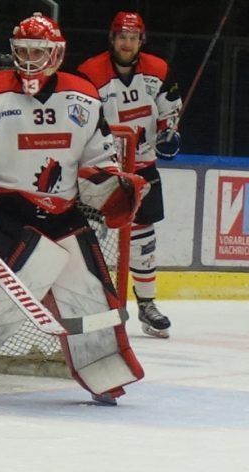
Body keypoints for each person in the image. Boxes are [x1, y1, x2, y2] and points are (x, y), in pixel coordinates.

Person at [0, 13, 148, 404]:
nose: (29, 59)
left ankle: (103, 367)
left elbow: (99, 157)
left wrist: (112, 187)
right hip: (8, 210)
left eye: (38, 51)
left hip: (64, 211)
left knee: (91, 293)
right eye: (23, 50)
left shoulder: (84, 94)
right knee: (2, 296)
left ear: (56, 53)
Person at [77, 11, 182, 338]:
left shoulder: (159, 70)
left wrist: (169, 134)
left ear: (141, 40)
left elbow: (169, 113)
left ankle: (147, 305)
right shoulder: (89, 72)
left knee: (143, 241)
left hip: (143, 166)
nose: (126, 42)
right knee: (84, 238)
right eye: (121, 36)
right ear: (112, 38)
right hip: (100, 168)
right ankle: (89, 307)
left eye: (133, 37)